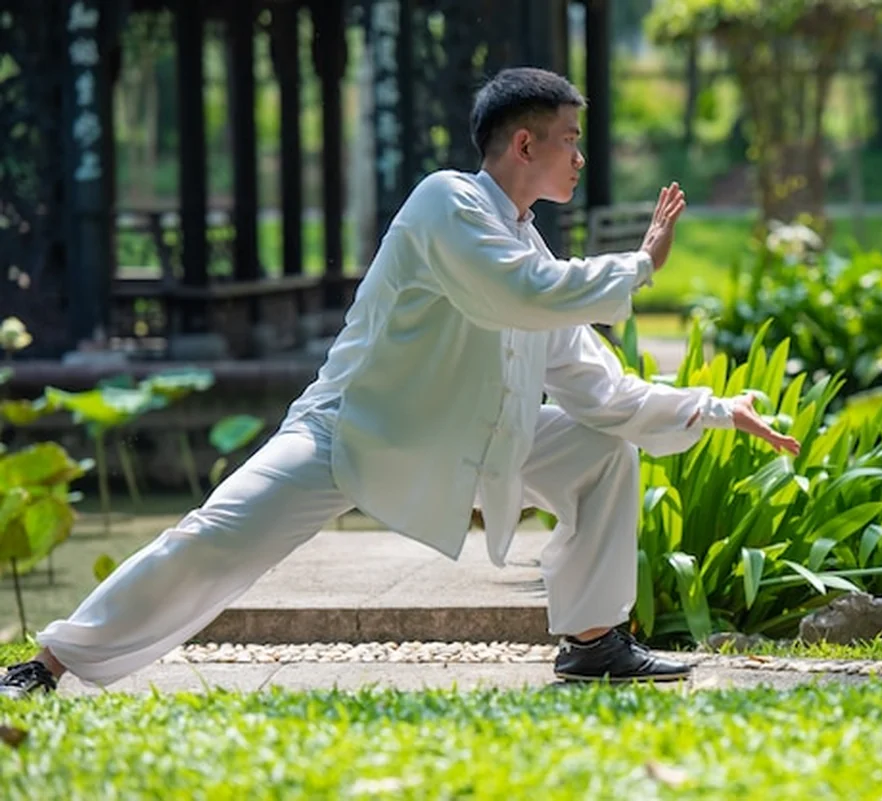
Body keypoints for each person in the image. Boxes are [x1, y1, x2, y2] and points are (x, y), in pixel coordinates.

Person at [1, 67, 799, 698]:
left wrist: (715, 410)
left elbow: (599, 386)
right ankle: (50, 660)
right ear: (524, 145)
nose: (580, 156)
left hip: (471, 437)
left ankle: (594, 643)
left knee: (601, 449)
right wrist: (639, 265)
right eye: (569, 139)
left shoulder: (537, 256)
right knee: (213, 536)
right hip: (351, 431)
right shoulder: (444, 204)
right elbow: (510, 294)